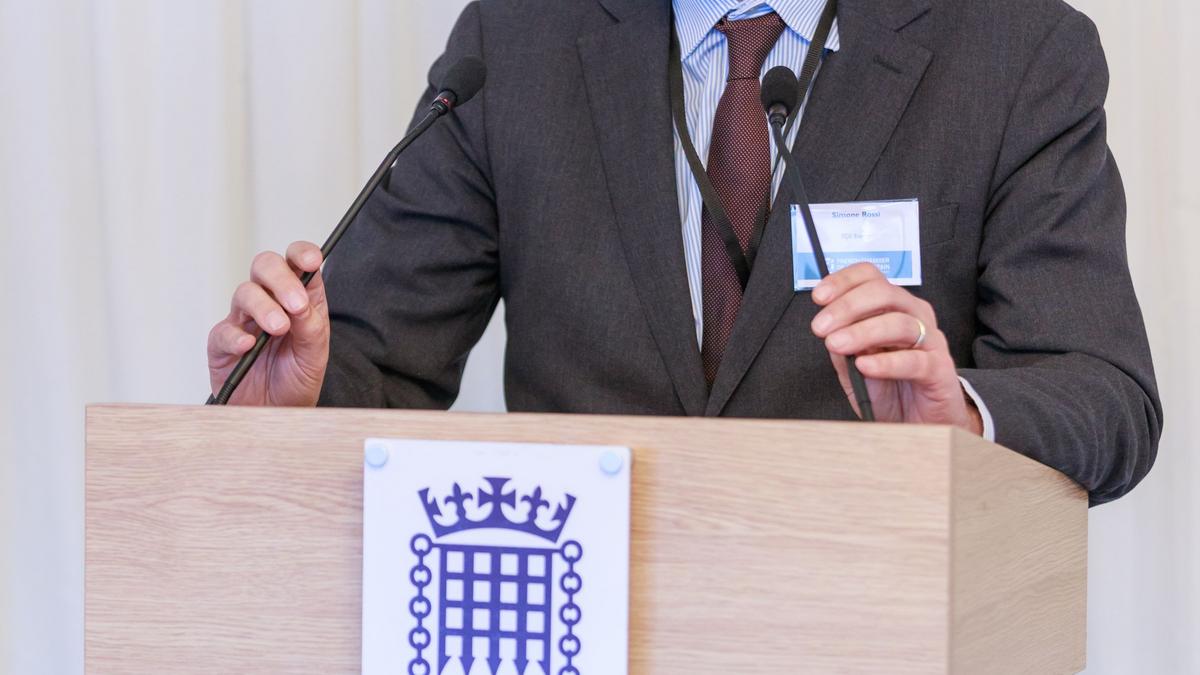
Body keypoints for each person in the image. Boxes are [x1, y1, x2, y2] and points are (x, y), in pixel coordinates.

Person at [207, 0, 1161, 505]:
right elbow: (376, 360)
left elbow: (1107, 398)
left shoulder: (1016, 48)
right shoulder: (517, 39)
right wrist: (293, 399)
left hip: (876, 621)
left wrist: (965, 419)